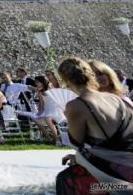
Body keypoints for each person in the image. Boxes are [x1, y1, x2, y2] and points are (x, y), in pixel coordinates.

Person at [55, 57, 133, 194]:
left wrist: (69, 118)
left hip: (118, 182)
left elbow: (76, 142)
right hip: (127, 167)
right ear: (90, 74)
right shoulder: (117, 98)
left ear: (66, 82)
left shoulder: (76, 105)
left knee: (67, 179)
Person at [30, 75, 64, 146]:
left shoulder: (51, 89)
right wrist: (38, 112)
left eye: (37, 82)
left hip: (56, 111)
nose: (36, 84)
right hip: (48, 111)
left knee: (47, 118)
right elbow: (41, 105)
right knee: (35, 118)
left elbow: (59, 100)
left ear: (42, 82)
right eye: (35, 82)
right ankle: (48, 138)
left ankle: (57, 140)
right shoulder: (40, 92)